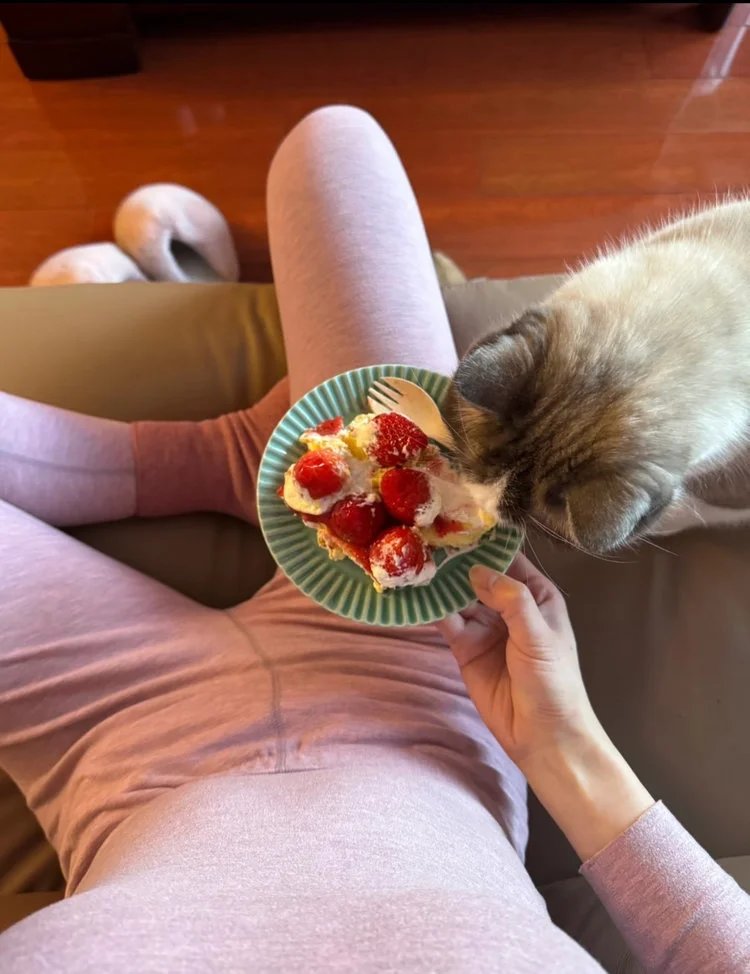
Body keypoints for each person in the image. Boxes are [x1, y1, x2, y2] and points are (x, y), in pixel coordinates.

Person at [0, 106, 748, 973]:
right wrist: (562, 744)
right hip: (427, 670)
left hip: (107, 742)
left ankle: (236, 451)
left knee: (334, 145)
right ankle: (256, 458)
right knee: (333, 141)